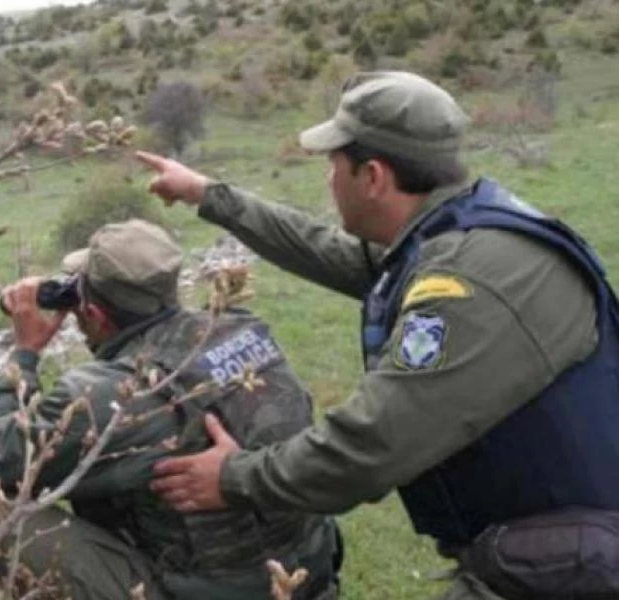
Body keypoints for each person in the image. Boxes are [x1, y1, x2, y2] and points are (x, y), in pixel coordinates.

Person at [136, 70, 619, 599]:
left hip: (572, 571)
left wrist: (233, 477)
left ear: (372, 177)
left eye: (332, 164)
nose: (327, 178)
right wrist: (209, 195)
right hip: (549, 548)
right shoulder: (458, 228)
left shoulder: (467, 283)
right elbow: (329, 250)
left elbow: (369, 447)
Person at [0, 219, 341, 600]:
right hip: (305, 573)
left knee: (5, 526)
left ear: (95, 314)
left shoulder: (114, 394)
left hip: (210, 590)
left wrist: (24, 352)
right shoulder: (242, 329)